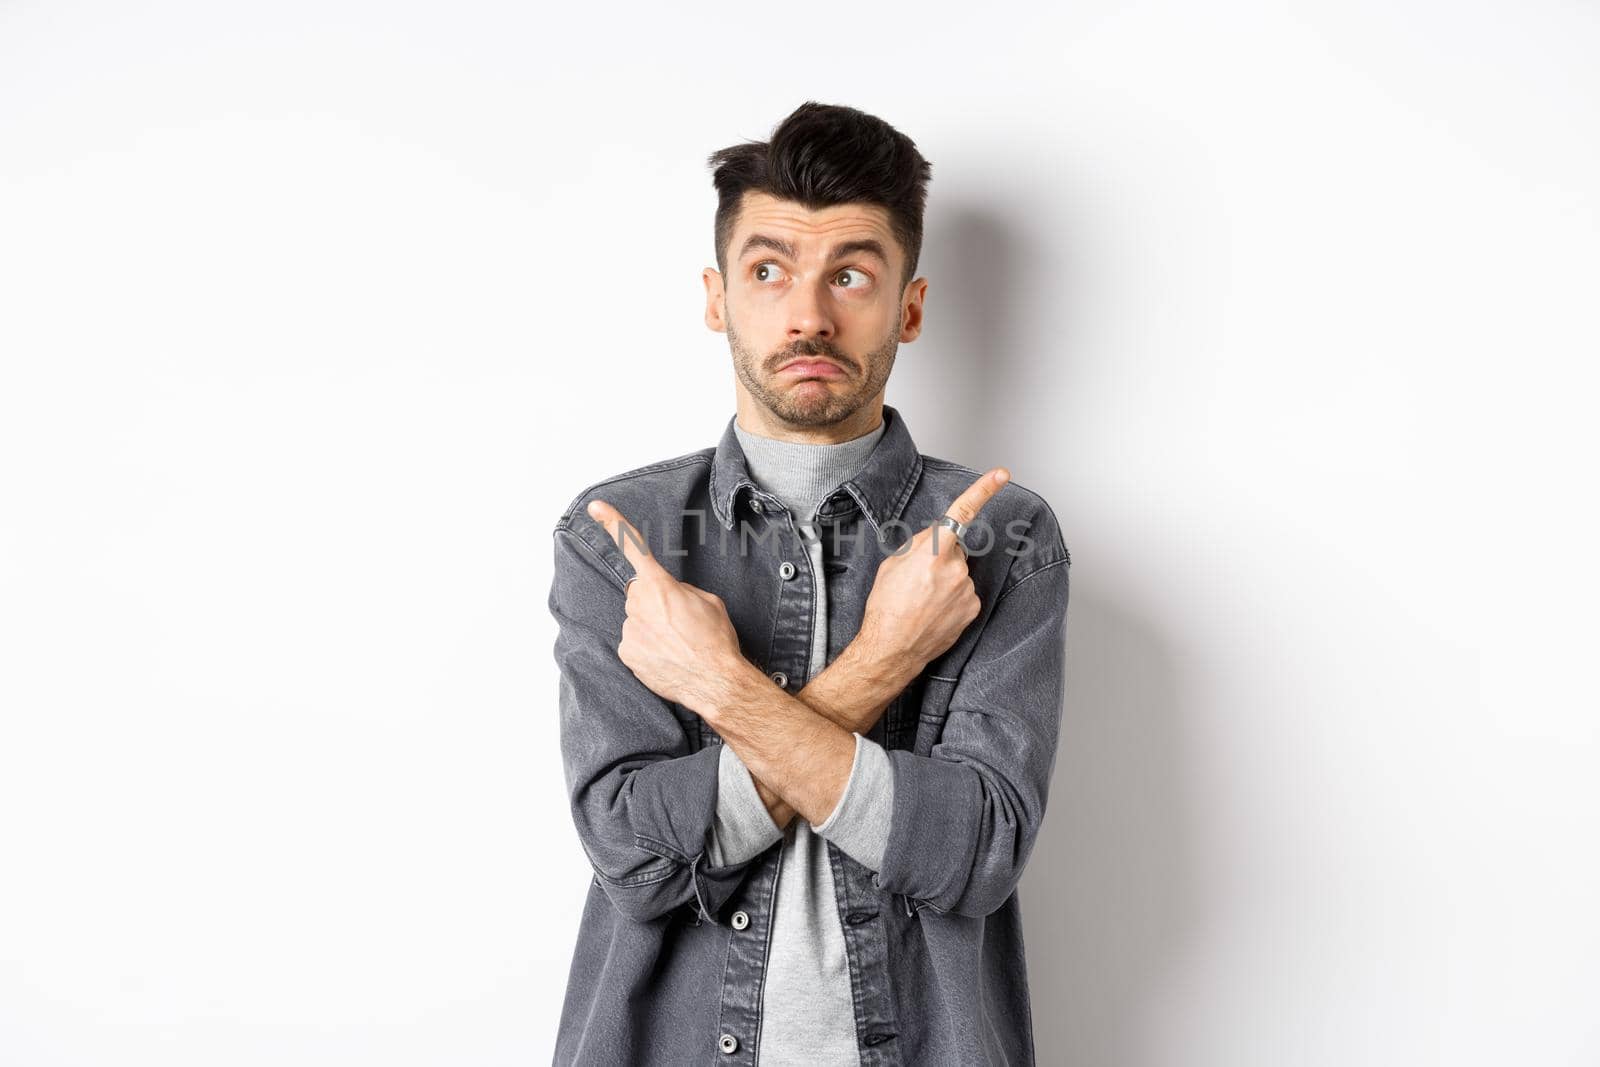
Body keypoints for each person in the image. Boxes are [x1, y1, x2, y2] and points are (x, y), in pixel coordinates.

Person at [548, 101, 1071, 1065]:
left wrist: (716, 687)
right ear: (718, 297)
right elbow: (635, 862)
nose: (808, 314)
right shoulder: (622, 541)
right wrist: (885, 660)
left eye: (852, 274)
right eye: (768, 269)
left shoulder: (1002, 539)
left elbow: (974, 854)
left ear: (909, 305)